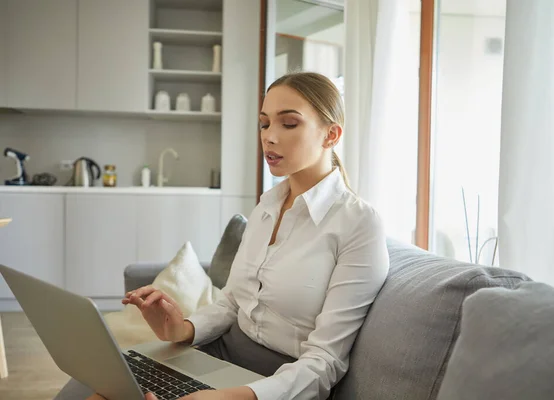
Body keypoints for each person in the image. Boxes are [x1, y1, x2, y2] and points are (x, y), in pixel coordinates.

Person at [88, 72, 390, 400]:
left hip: (277, 383)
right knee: (106, 390)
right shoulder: (268, 205)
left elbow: (325, 362)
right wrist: (181, 329)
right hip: (220, 354)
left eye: (289, 124)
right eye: (264, 124)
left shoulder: (358, 224)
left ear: (331, 134)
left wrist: (232, 396)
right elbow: (233, 300)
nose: (269, 137)